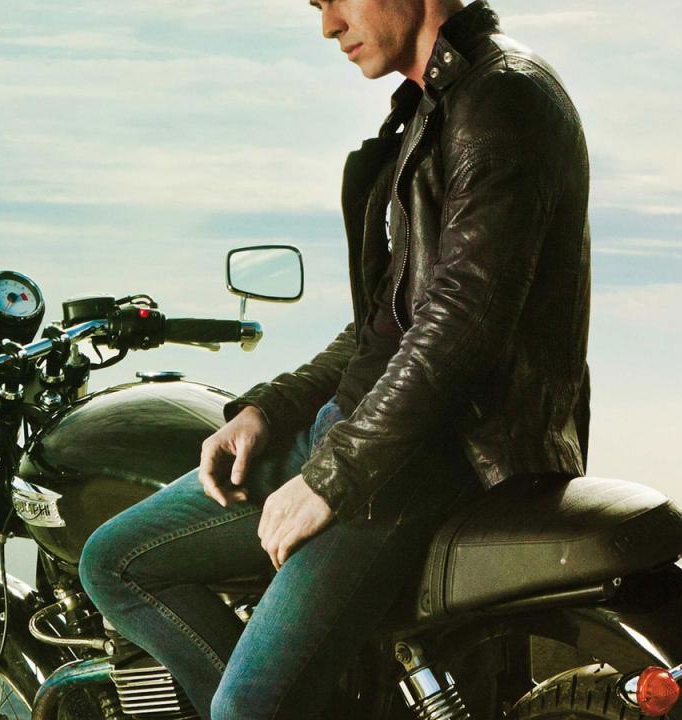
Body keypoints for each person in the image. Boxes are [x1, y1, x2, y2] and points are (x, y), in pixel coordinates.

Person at [79, 0, 591, 717]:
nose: (328, 26)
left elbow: (462, 325)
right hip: (367, 434)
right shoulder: (436, 104)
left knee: (247, 710)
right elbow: (391, 320)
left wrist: (331, 478)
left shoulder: (500, 96)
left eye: (336, 0)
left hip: (425, 456)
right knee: (113, 561)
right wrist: (272, 409)